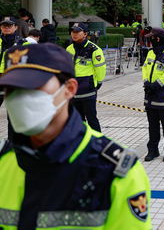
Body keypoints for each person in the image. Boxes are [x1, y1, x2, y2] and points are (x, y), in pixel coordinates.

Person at [0, 43, 152, 229]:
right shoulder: (4, 162)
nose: (19, 99)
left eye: (33, 86)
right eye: (11, 89)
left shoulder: (115, 172)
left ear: (69, 89)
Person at [142, 27, 164, 162]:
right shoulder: (151, 53)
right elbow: (145, 68)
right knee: (152, 124)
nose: (149, 41)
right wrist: (146, 83)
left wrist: (155, 85)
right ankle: (153, 149)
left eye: (150, 38)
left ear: (157, 39)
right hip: (150, 94)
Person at [66, 22, 106, 133]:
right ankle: (81, 144)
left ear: (85, 34)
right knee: (77, 120)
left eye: (77, 32)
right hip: (73, 90)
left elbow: (100, 68)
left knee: (91, 119)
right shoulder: (69, 48)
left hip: (87, 89)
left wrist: (98, 83)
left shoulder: (94, 49)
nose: (74, 34)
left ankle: (98, 144)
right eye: (73, 31)